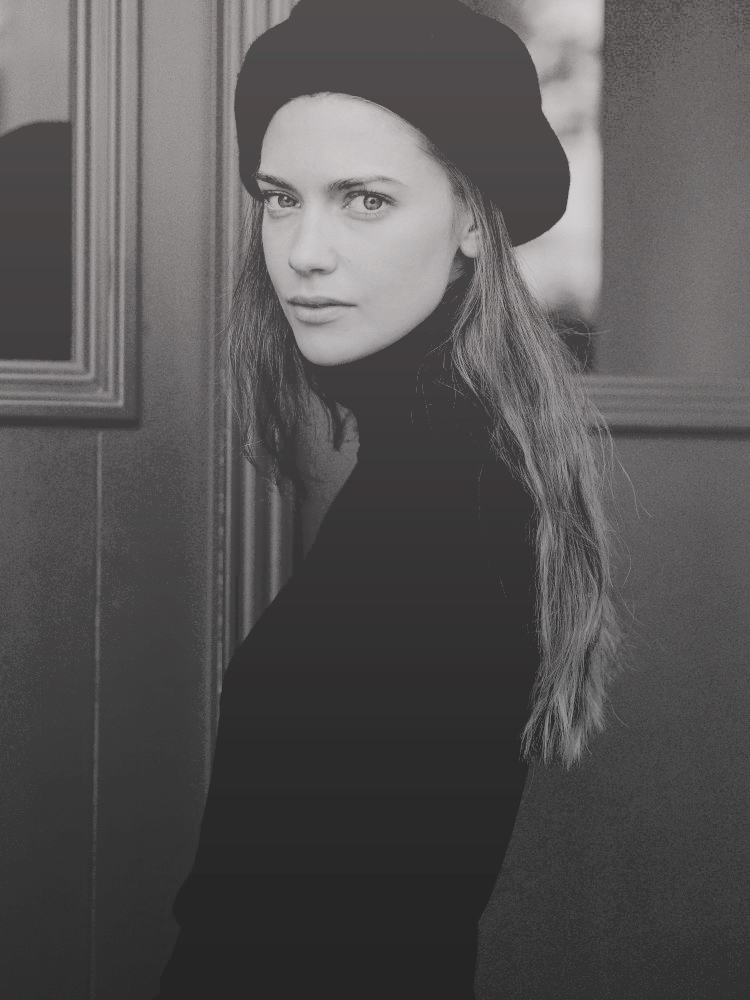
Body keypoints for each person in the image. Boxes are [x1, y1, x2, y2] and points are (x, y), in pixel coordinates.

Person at [156, 1, 624, 996]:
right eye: (280, 198)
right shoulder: (450, 458)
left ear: (471, 219)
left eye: (364, 199)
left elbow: (359, 929)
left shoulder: (448, 500)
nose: (303, 251)